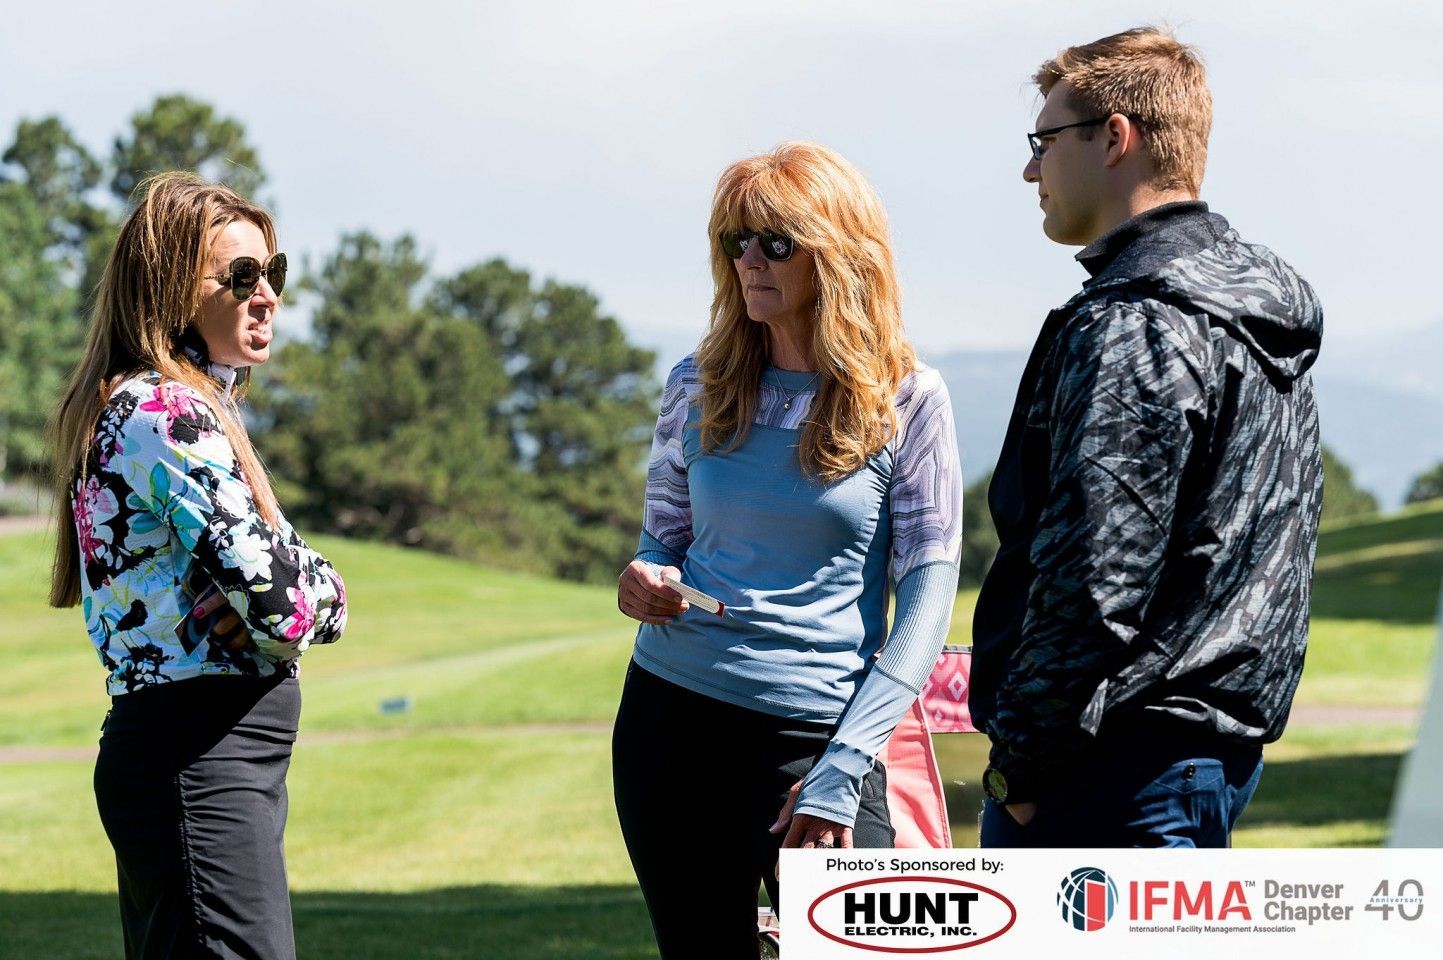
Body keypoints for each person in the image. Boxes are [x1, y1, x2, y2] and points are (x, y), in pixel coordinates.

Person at [970, 26, 1323, 848]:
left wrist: (1019, 769)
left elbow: (1096, 574)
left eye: (1044, 141)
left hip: (1106, 770)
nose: (1030, 169)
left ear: (1116, 139)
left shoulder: (1138, 323)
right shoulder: (1250, 314)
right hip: (1200, 762)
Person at [612, 141, 962, 957]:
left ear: (839, 256)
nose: (748, 262)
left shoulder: (909, 399)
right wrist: (642, 580)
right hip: (669, 722)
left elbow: (925, 604)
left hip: (819, 738)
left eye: (775, 242)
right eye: (735, 242)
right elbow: (661, 542)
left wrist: (844, 765)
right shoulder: (694, 382)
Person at [48, 172, 348, 958]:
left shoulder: (186, 407)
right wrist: (330, 584)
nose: (267, 295)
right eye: (240, 276)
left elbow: (267, 598)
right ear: (174, 290)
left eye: (272, 273)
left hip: (204, 761)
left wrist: (282, 583)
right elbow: (283, 607)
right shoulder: (164, 412)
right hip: (197, 764)